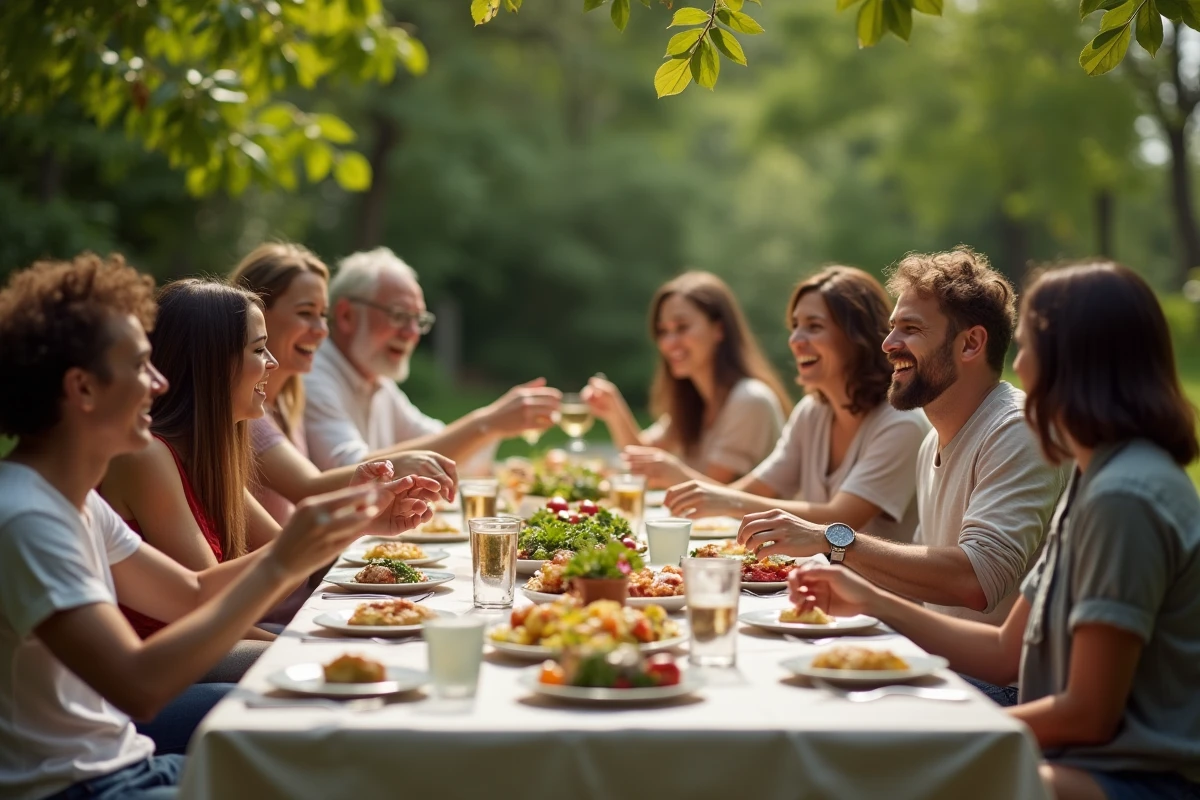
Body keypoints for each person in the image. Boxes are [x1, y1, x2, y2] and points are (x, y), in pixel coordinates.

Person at [0, 254, 439, 799]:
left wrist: (343, 526)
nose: (158, 383)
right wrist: (287, 558)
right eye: (140, 366)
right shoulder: (25, 517)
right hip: (84, 788)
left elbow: (192, 593)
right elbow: (139, 686)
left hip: (127, 766)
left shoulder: (70, 503)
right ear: (82, 389)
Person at [788, 262, 1200, 800]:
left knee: (879, 766)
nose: (1021, 365)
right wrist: (867, 598)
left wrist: (949, 737)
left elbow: (1088, 716)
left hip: (1131, 780)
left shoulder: (1124, 494)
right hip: (1075, 751)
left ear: (1085, 362)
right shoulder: (1094, 475)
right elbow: (1009, 651)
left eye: (1034, 346)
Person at [738, 247, 1068, 702]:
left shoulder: (1016, 431)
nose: (888, 344)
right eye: (892, 327)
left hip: (1002, 690)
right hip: (942, 666)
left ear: (971, 344)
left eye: (910, 329)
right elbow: (928, 582)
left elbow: (975, 581)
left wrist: (833, 541)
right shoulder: (933, 436)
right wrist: (844, 585)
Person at [664, 267, 929, 541]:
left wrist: (707, 491)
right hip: (817, 577)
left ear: (857, 337)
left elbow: (841, 520)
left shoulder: (901, 422)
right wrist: (695, 488)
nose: (795, 341)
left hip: (874, 585)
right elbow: (752, 491)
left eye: (814, 327)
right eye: (795, 327)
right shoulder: (812, 412)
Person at [229, 243, 456, 524]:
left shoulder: (290, 397)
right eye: (305, 313)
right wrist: (399, 463)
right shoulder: (247, 412)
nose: (321, 330)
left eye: (323, 315)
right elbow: (309, 489)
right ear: (256, 317)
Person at [303, 247, 562, 472]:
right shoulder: (314, 376)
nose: (412, 333)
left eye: (418, 320)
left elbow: (441, 444)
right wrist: (487, 422)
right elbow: (349, 472)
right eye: (399, 315)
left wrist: (496, 425)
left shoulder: (376, 382)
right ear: (347, 316)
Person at [583, 271, 790, 488]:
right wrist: (614, 411)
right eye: (663, 331)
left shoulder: (749, 400)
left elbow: (716, 494)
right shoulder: (694, 401)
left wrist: (670, 471)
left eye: (682, 327)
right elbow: (642, 459)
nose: (669, 342)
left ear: (718, 329)